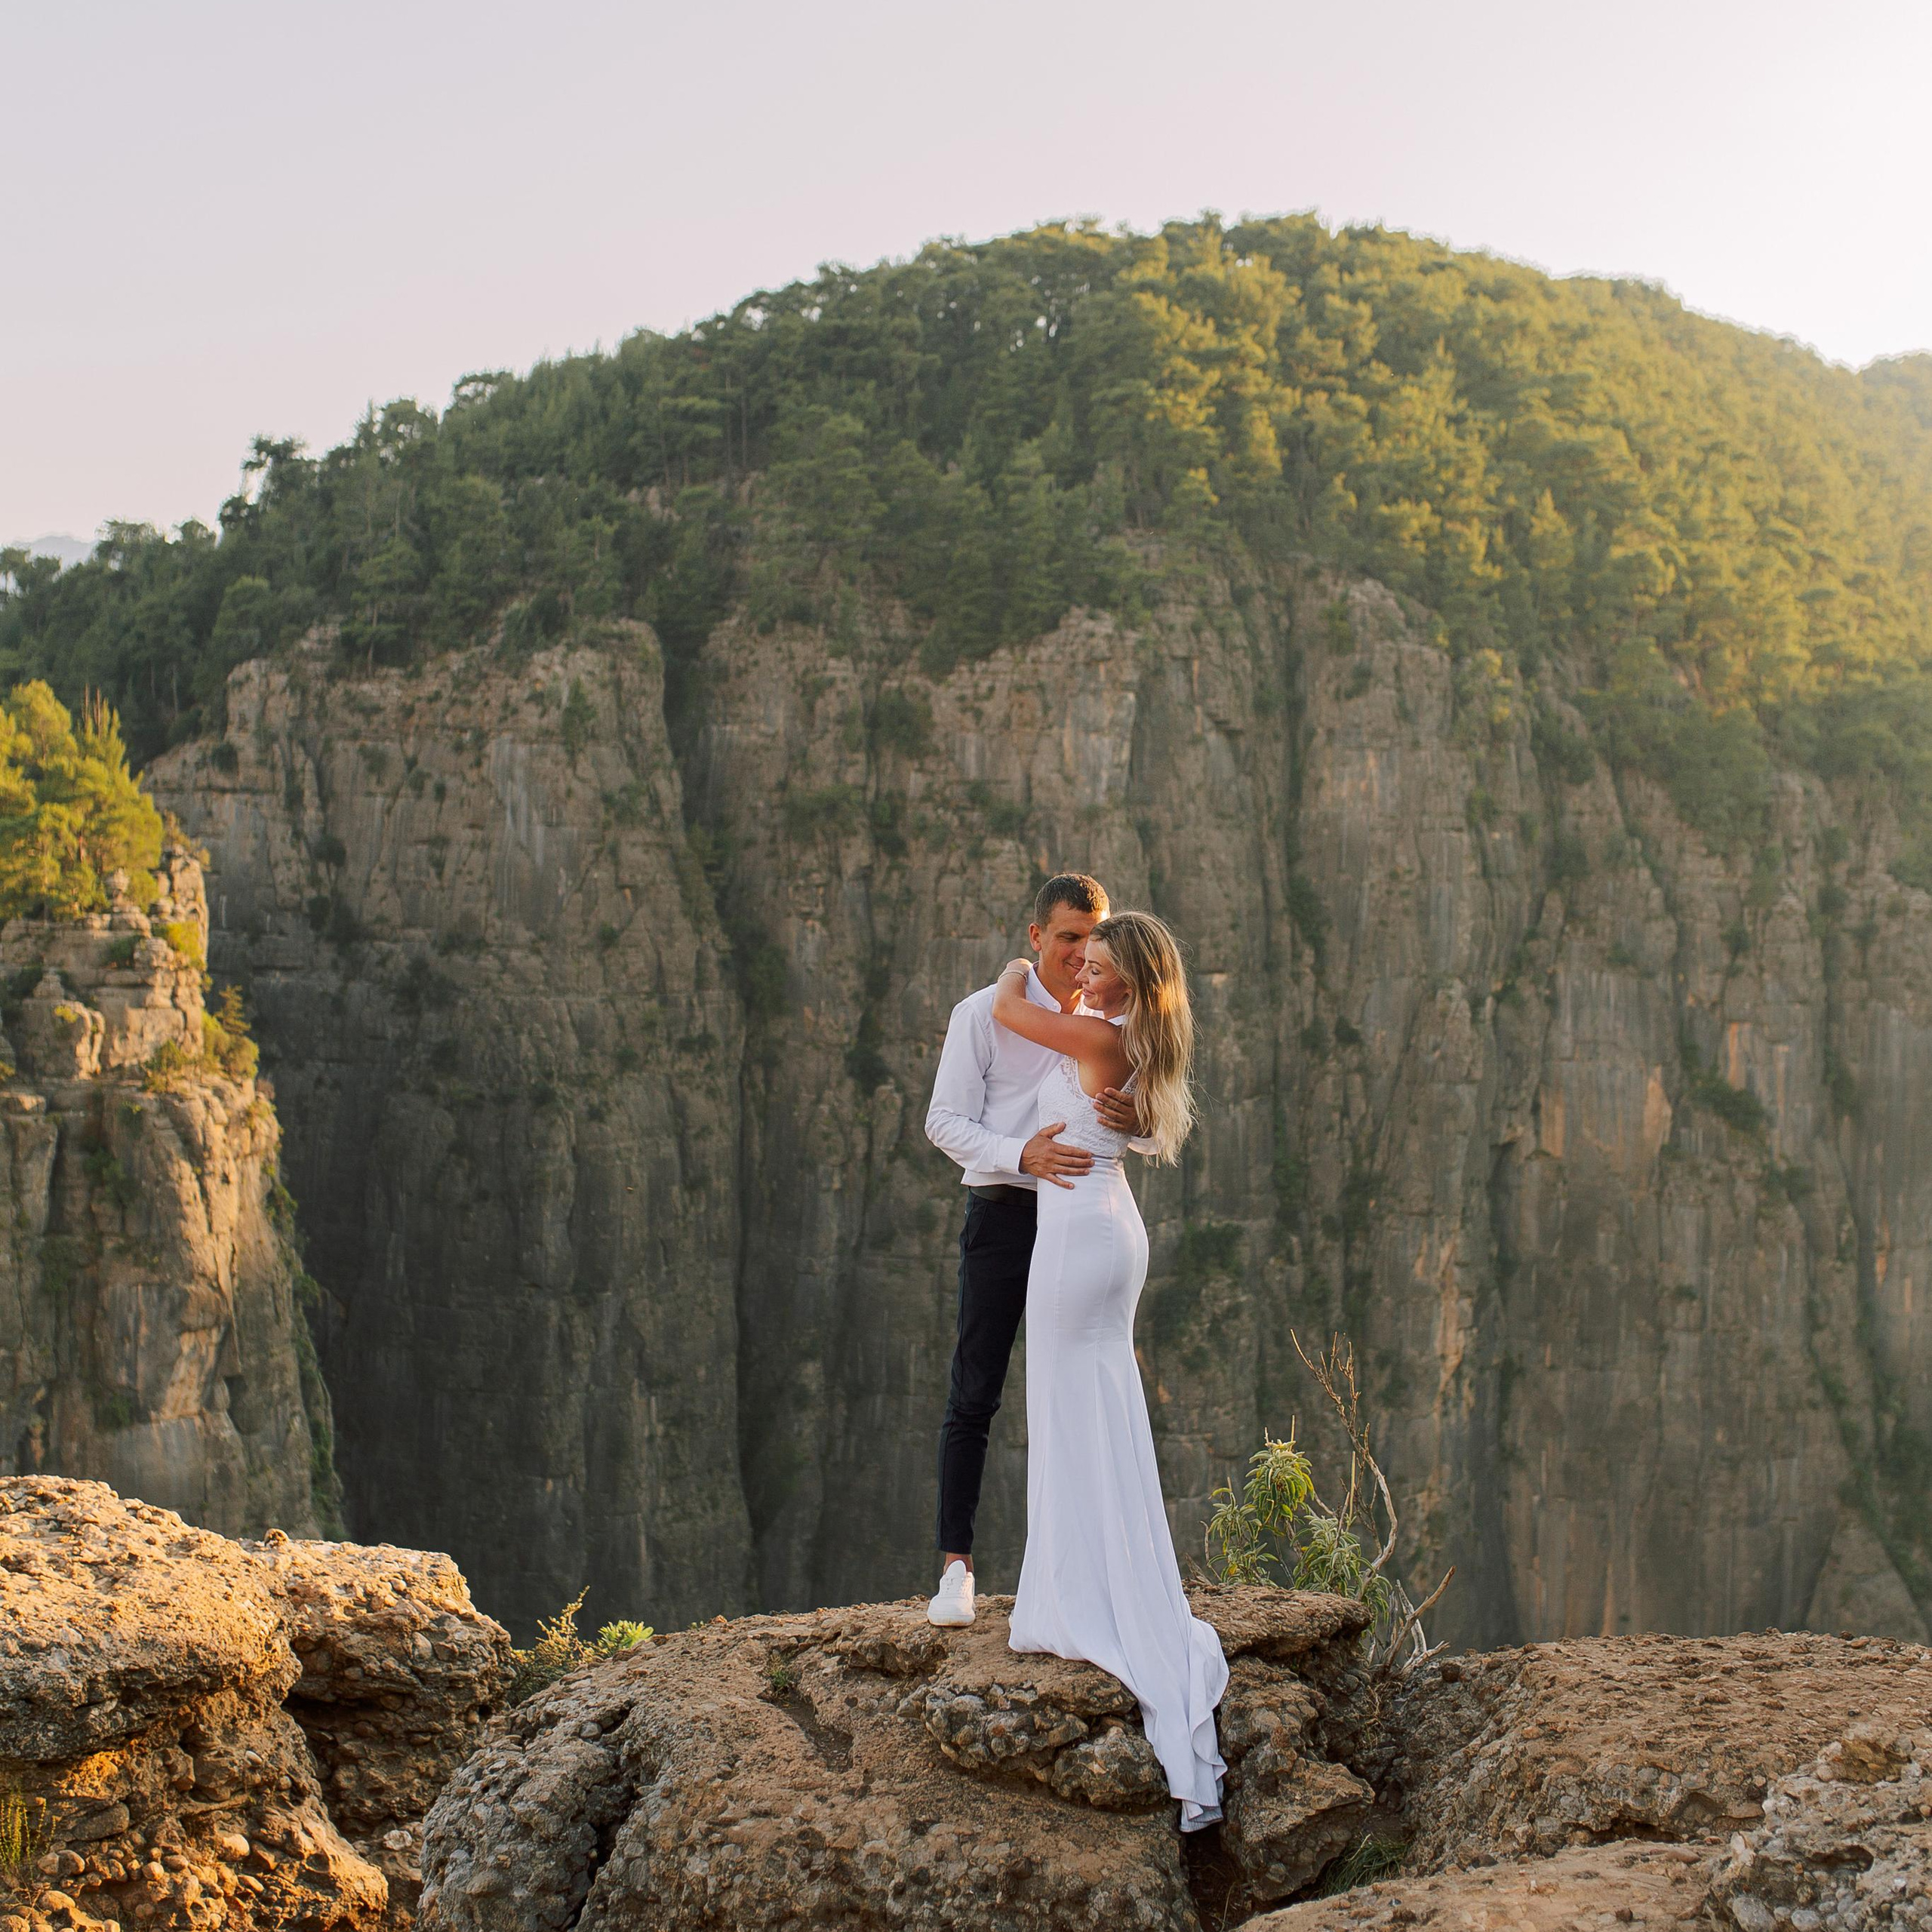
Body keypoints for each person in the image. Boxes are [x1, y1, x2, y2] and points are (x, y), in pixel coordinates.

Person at [988, 908, 1228, 1832]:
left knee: (1065, 1409)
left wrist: (1023, 963)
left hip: (1078, 1241)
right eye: (1077, 961)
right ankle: (1089, 1583)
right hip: (1105, 1229)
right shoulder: (1135, 1043)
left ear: (1128, 978)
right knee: (1096, 1410)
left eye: (1097, 965)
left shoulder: (1092, 1032)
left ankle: (1081, 1597)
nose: (1082, 975)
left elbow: (1011, 1010)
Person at [923, 874, 1143, 1629]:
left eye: (1093, 938)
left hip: (1082, 1221)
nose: (1081, 954)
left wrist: (1134, 1114)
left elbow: (1141, 1123)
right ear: (1036, 938)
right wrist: (1023, 1154)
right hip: (1006, 1214)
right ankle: (956, 1568)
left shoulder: (1113, 1013)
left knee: (1078, 1389)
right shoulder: (983, 1014)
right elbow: (943, 1120)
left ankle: (1087, 1568)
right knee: (975, 1388)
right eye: (1068, 938)